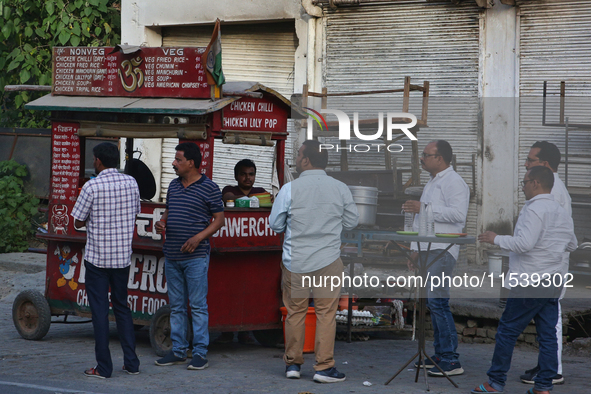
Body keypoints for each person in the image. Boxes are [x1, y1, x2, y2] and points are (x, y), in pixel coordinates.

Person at [473, 166, 577, 394]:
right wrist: (550, 249)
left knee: (507, 331)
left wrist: (495, 238)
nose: (522, 187)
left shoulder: (534, 210)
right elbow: (572, 245)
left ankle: (495, 382)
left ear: (536, 183)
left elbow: (523, 244)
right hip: (553, 281)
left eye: (525, 182)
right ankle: (543, 387)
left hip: (530, 281)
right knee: (548, 335)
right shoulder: (561, 211)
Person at [269, 140, 359, 383]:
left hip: (295, 260)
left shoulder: (290, 189)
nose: (297, 159)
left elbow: (275, 224)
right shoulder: (340, 188)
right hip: (328, 259)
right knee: (326, 314)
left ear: (306, 160)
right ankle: (324, 368)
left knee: (295, 312)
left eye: (298, 155)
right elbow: (351, 222)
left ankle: (293, 365)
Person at [71, 142, 141, 378]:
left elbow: (77, 222)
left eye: (94, 159)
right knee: (122, 308)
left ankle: (104, 367)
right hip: (122, 258)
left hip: (98, 259)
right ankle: (132, 363)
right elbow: (136, 210)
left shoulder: (92, 187)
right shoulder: (131, 183)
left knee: (100, 312)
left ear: (98, 161)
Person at [154, 142, 225, 370]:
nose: (174, 164)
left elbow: (219, 220)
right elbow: (169, 209)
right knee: (176, 307)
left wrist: (198, 238)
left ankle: (200, 353)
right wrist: (162, 222)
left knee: (197, 306)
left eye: (178, 160)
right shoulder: (174, 186)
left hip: (196, 257)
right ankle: (178, 350)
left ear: (191, 163)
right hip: (172, 254)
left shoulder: (209, 187)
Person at [402, 140, 470, 377]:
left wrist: (425, 207)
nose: (422, 158)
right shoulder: (432, 182)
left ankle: (451, 358)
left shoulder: (454, 182)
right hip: (428, 249)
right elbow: (422, 221)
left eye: (426, 155)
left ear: (440, 158)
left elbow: (458, 214)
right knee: (432, 303)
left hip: (442, 250)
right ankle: (440, 354)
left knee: (438, 302)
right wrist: (414, 249)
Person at [521, 141, 571, 385]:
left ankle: (553, 370)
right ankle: (547, 367)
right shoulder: (553, 189)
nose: (526, 164)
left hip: (548, 268)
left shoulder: (554, 192)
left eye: (531, 161)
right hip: (546, 268)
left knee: (551, 322)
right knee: (547, 321)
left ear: (546, 166)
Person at [216, 159, 266, 345]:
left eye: (251, 174)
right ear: (237, 176)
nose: (247, 178)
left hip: (254, 249)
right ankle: (226, 332)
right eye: (244, 174)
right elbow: (227, 197)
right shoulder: (230, 189)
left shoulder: (261, 192)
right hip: (229, 249)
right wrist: (252, 201)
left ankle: (246, 332)